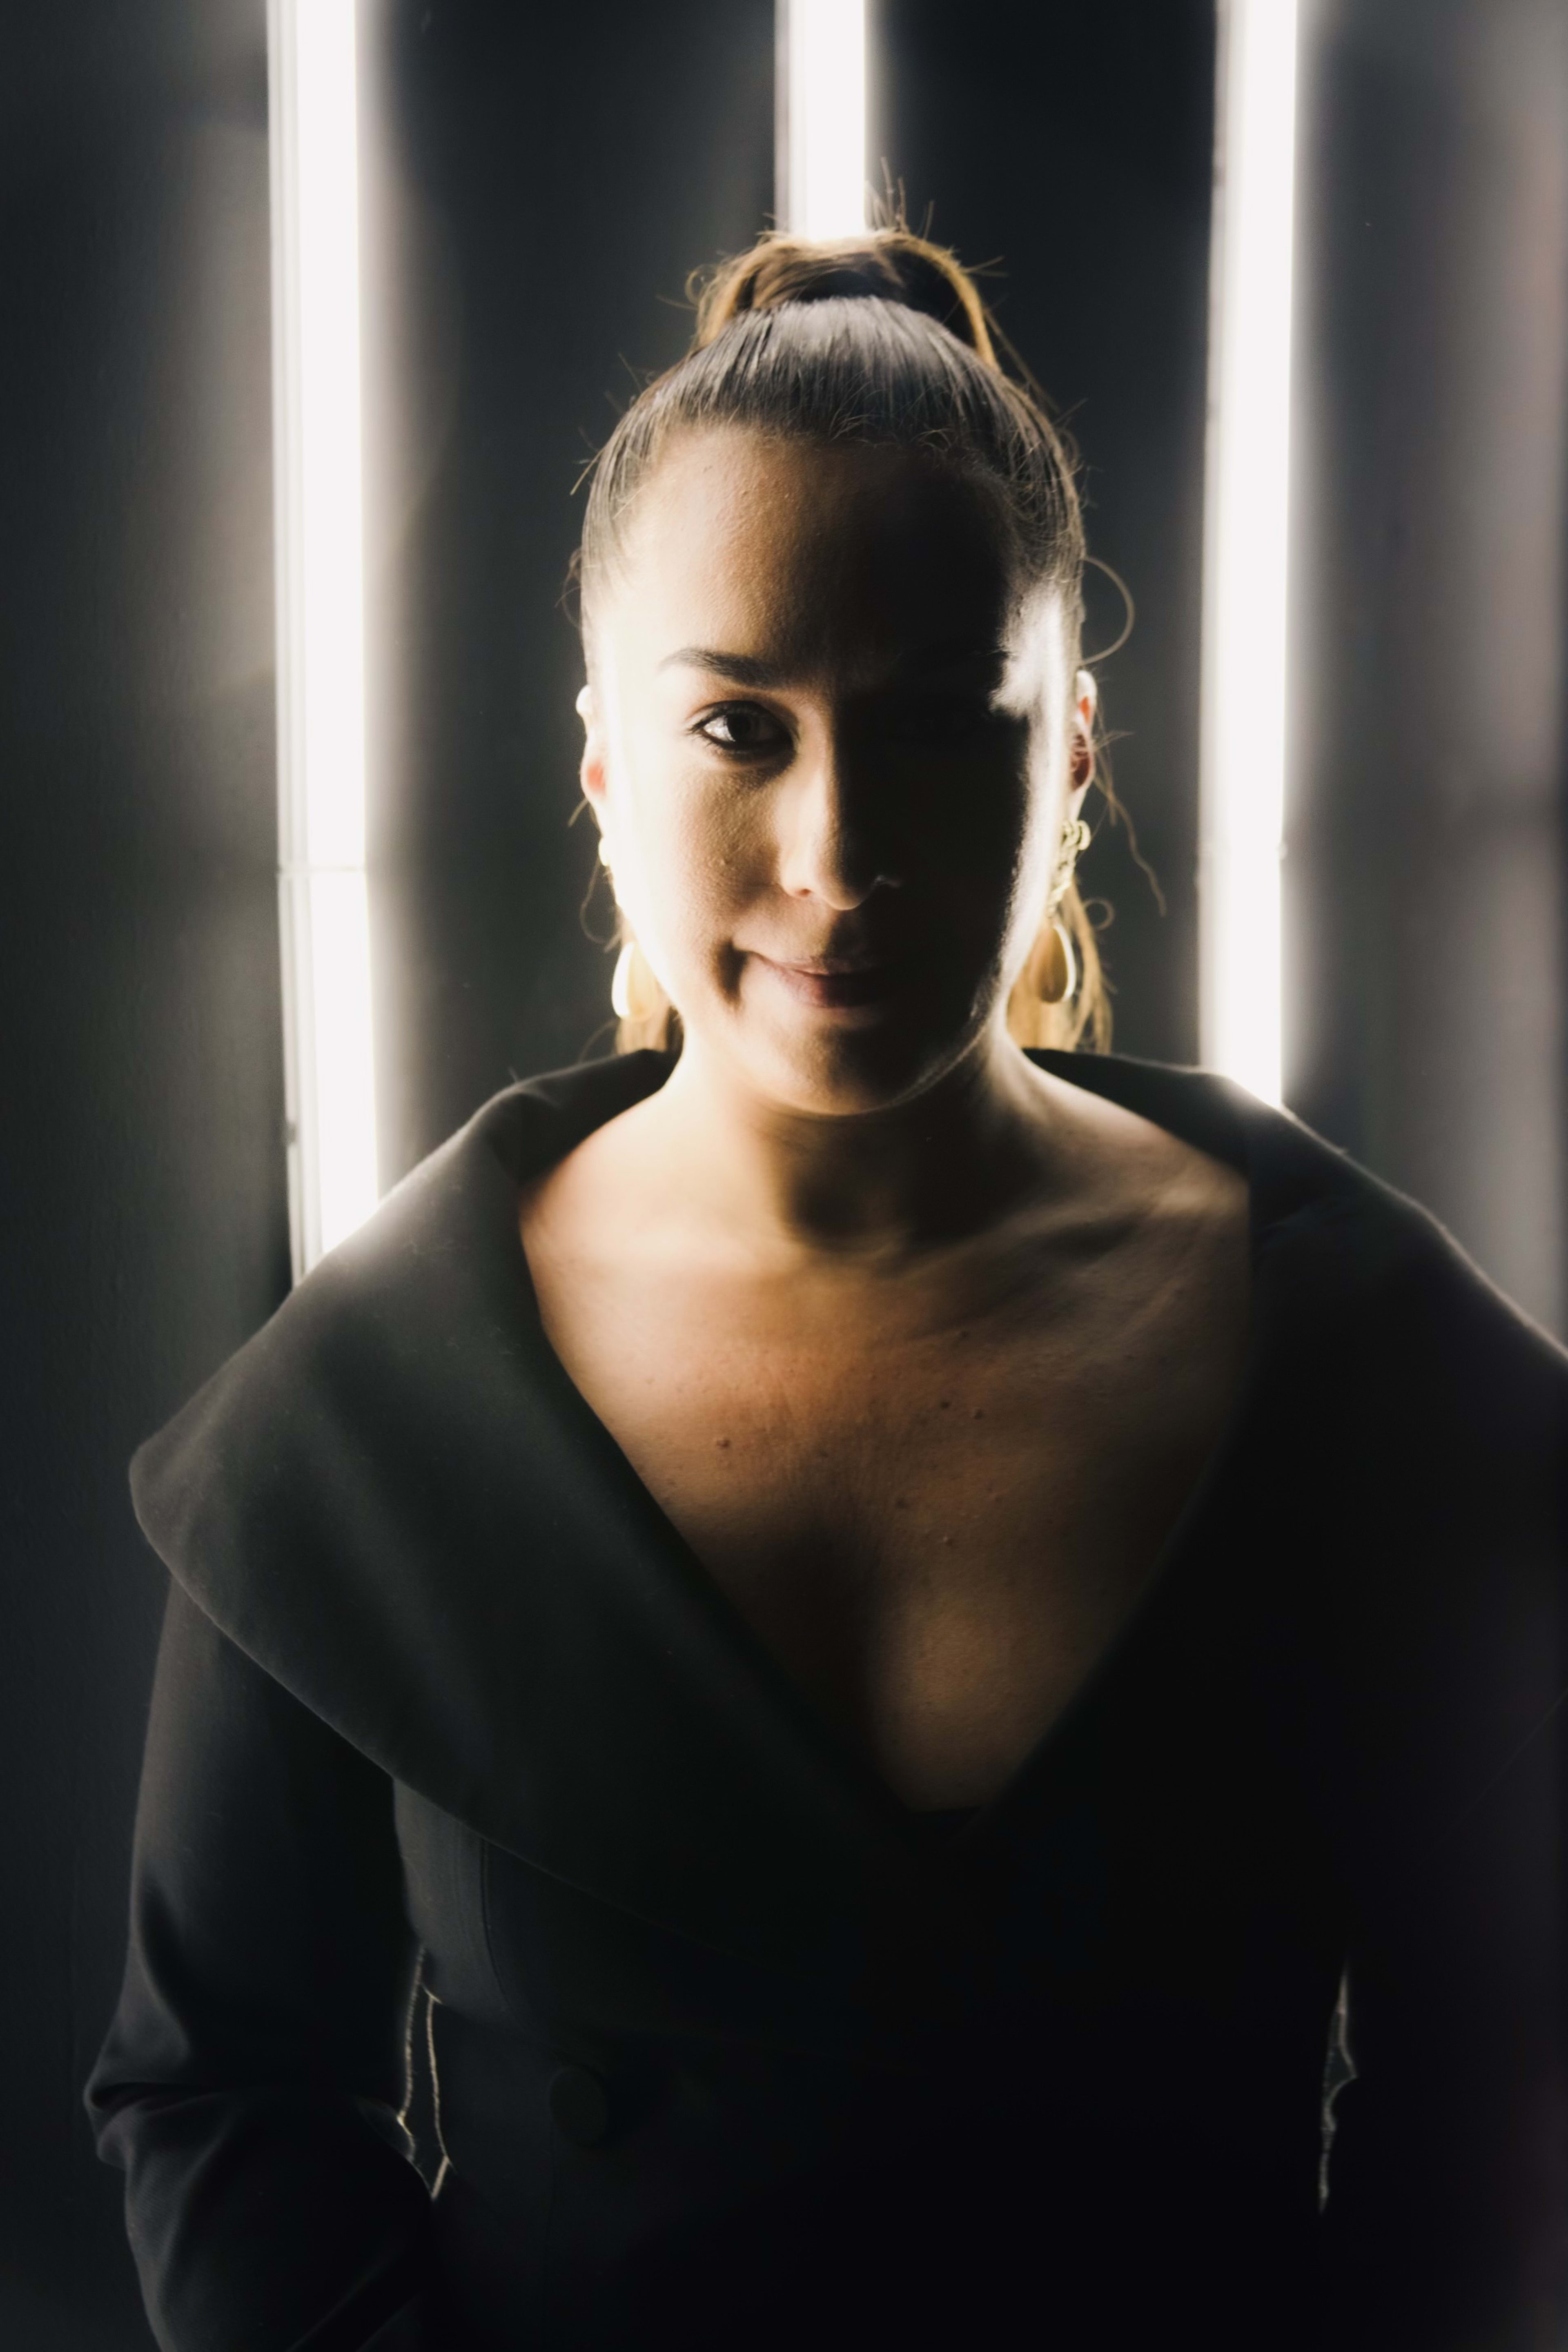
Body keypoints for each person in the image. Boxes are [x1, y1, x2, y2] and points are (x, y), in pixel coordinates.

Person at [87, 229, 1568, 2352]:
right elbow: (220, 2089)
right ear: (607, 768)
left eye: (942, 729)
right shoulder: (372, 1411)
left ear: (1072, 763)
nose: (842, 849)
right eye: (735, 726)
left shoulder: (1368, 1367)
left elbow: (1508, 2064)